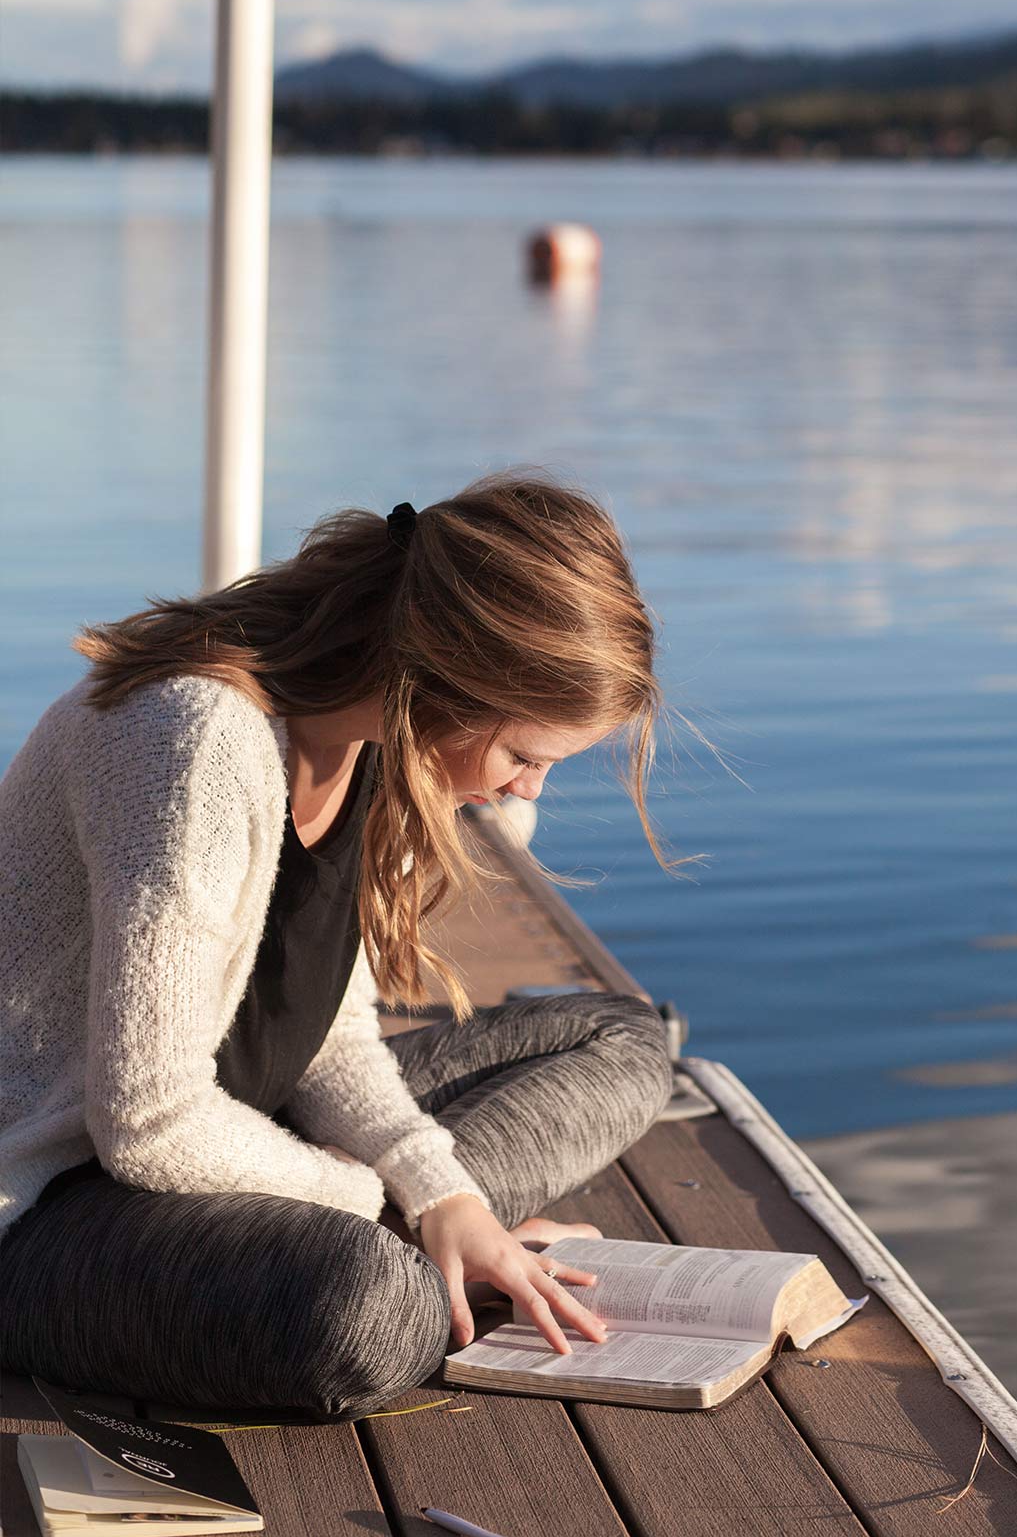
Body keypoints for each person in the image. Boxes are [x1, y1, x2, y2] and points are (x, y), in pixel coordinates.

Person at [0, 471, 675, 1420]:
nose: (529, 793)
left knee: (623, 1042)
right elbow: (147, 1123)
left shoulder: (373, 750)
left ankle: (438, 1242)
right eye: (524, 755)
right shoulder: (194, 743)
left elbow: (330, 1034)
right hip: (50, 1199)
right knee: (368, 1312)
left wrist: (444, 1197)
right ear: (444, 677)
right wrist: (374, 1199)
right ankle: (406, 1257)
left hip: (240, 1139)